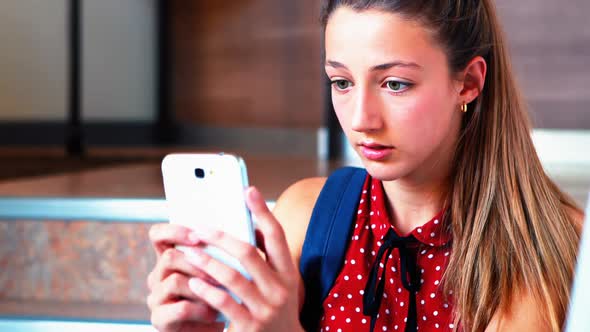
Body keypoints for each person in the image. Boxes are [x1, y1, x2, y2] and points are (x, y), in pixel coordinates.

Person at [146, 0, 585, 331]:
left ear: (467, 83)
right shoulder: (308, 214)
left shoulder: (541, 246)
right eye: (341, 82)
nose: (360, 121)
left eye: (395, 84)